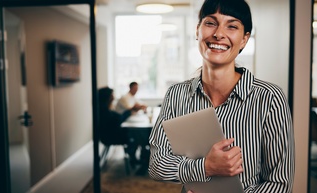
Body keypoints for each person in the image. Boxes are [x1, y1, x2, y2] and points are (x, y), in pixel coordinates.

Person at [148, 0, 295, 192]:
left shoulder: (269, 98)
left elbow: (280, 183)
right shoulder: (176, 95)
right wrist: (205, 167)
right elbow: (157, 165)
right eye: (210, 23)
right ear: (197, 30)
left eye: (232, 26)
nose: (218, 34)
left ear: (244, 39)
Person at [98, 87, 139, 166]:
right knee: (136, 135)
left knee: (135, 133)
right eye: (112, 95)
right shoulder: (105, 112)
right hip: (111, 137)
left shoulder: (102, 109)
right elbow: (118, 120)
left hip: (109, 135)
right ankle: (134, 158)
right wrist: (130, 111)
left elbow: (117, 119)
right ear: (107, 97)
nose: (113, 97)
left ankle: (134, 158)